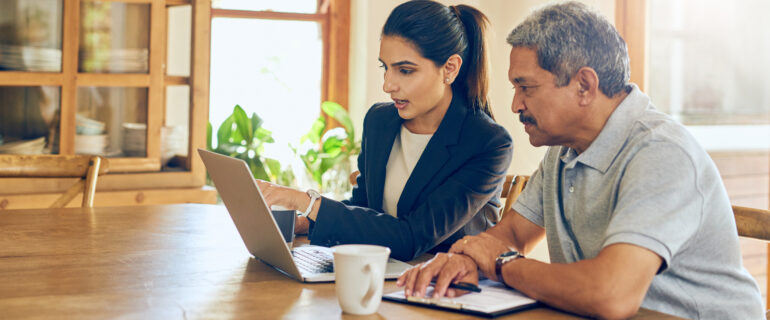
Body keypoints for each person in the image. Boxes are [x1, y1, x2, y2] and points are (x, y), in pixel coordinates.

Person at [397, 2, 764, 319]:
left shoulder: (661, 154)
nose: (515, 105)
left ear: (584, 86)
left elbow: (611, 295)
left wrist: (502, 264)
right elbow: (510, 234)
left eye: (527, 87)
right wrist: (469, 257)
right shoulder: (564, 149)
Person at [256, 0, 513, 261]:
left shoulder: (487, 143)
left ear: (449, 69)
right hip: (381, 276)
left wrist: (307, 202)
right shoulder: (380, 121)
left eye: (405, 70)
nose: (388, 85)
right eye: (385, 67)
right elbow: (363, 210)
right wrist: (306, 221)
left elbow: (411, 237)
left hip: (448, 291)